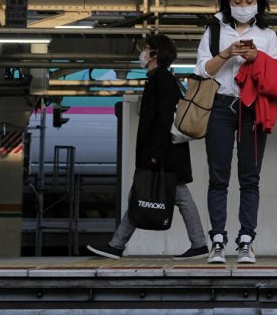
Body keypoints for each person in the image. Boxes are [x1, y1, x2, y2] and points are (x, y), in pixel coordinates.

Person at [87, 34, 208, 260]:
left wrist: (155, 154)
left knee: (171, 195)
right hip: (165, 153)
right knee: (150, 194)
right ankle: (117, 245)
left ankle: (118, 245)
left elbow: (162, 120)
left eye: (146, 49)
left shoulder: (161, 80)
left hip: (163, 154)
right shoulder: (160, 79)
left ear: (155, 54)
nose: (142, 53)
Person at [194, 0, 277, 264]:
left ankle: (246, 240)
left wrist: (257, 59)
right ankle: (217, 241)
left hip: (252, 108)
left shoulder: (267, 36)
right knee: (218, 177)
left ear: (258, 2)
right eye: (237, 1)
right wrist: (228, 53)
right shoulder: (215, 30)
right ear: (227, 2)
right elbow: (202, 70)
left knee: (250, 178)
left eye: (249, 1)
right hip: (220, 105)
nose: (243, 6)